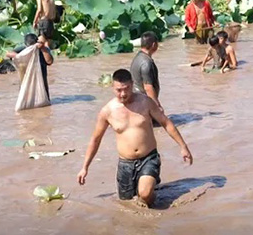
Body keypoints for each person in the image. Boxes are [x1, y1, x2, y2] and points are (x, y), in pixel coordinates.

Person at [77, 69, 193, 207]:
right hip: (125, 164)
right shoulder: (107, 111)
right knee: (127, 203)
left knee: (145, 194)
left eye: (126, 89)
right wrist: (85, 167)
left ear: (132, 84)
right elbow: (96, 139)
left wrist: (183, 146)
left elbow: (166, 123)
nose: (123, 94)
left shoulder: (145, 102)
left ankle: (152, 196)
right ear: (112, 87)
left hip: (148, 158)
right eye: (119, 90)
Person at [130, 31, 161, 112]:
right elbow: (148, 87)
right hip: (144, 102)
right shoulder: (147, 63)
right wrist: (157, 106)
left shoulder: (137, 58)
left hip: (136, 100)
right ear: (154, 45)